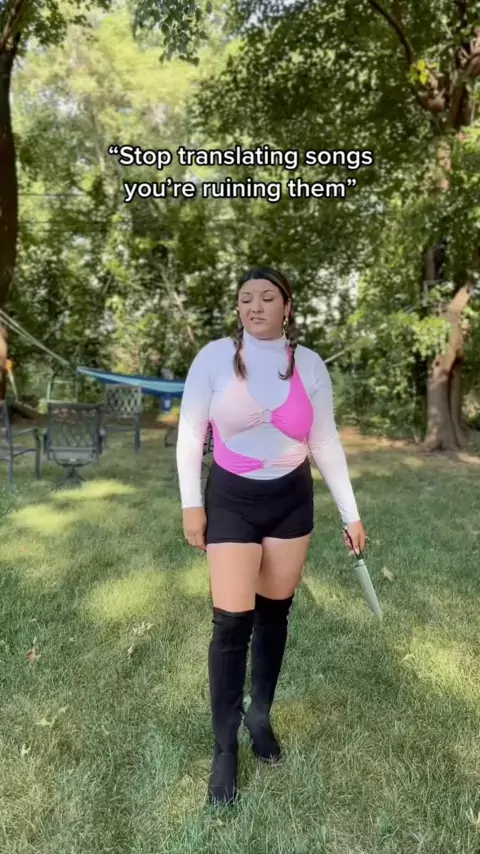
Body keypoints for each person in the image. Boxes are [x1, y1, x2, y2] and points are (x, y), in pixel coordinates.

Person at [176, 266, 366, 807]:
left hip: (290, 501)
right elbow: (191, 433)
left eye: (266, 297)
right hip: (231, 501)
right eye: (245, 299)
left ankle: (259, 714)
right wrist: (192, 504)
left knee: (274, 616)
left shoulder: (309, 364)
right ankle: (224, 750)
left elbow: (324, 441)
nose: (254, 306)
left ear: (288, 306)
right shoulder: (214, 358)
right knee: (230, 624)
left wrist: (351, 513)